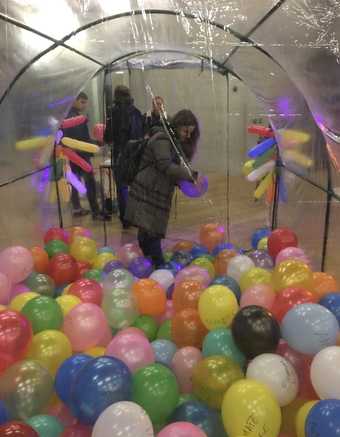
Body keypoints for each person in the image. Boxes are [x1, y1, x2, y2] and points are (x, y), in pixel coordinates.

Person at [125, 109, 200, 267]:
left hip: (157, 190)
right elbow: (164, 164)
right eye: (186, 131)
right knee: (151, 230)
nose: (188, 135)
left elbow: (171, 169)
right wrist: (190, 175)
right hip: (148, 189)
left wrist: (183, 181)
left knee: (148, 229)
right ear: (178, 125)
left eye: (191, 133)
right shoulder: (163, 138)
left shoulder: (174, 142)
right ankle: (158, 265)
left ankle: (150, 261)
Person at [104, 85, 144, 228]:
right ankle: (137, 217)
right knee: (136, 186)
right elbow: (141, 135)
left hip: (120, 154)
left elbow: (107, 137)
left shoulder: (113, 113)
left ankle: (126, 220)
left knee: (122, 188)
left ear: (115, 96)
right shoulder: (137, 112)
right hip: (135, 154)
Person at [62, 92, 105, 220]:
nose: (85, 105)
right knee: (89, 181)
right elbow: (81, 139)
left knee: (75, 180)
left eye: (85, 102)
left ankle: (76, 208)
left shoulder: (69, 115)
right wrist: (95, 143)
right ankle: (95, 211)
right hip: (80, 155)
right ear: (75, 101)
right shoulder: (75, 118)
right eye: (82, 102)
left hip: (73, 153)